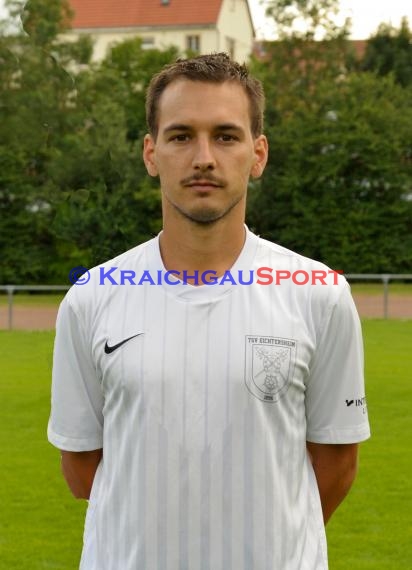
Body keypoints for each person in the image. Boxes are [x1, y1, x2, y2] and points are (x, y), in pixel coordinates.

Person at [48, 52, 370, 569]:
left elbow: (336, 464)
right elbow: (82, 470)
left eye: (225, 135)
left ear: (258, 153)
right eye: (180, 136)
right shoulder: (92, 297)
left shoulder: (318, 292)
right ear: (151, 154)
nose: (203, 157)